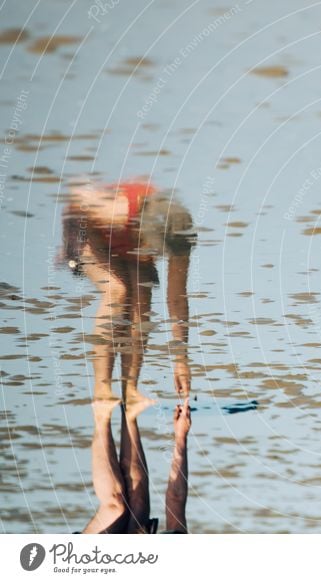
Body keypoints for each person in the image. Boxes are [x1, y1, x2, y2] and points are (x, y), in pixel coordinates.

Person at [61, 179, 195, 533]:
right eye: (154, 248)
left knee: (143, 291)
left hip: (122, 247)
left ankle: (128, 392)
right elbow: (75, 197)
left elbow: (176, 298)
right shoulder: (120, 207)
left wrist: (181, 357)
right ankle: (102, 391)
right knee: (118, 288)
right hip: (84, 234)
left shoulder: (178, 234)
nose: (160, 255)